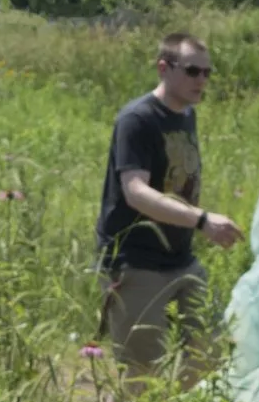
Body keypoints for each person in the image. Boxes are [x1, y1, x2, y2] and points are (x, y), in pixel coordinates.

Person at [94, 32, 243, 379]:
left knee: (209, 351)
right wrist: (202, 220)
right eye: (192, 71)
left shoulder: (186, 114)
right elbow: (136, 192)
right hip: (136, 262)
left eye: (207, 72)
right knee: (141, 372)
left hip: (181, 260)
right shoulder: (137, 119)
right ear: (164, 68)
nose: (202, 80)